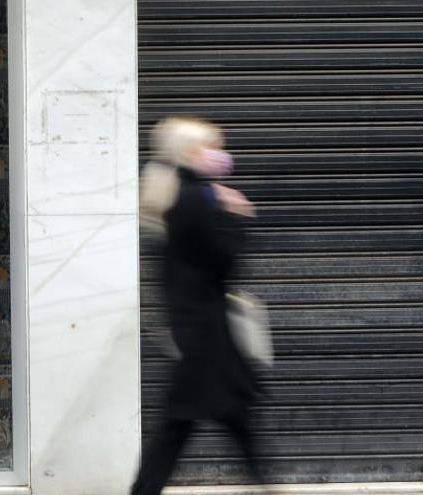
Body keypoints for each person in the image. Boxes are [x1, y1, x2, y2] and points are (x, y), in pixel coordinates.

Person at [134, 117, 261, 495]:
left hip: (196, 329)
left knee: (217, 419)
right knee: (184, 425)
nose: (221, 155)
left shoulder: (176, 194)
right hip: (204, 333)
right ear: (191, 152)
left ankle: (264, 482)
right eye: (214, 147)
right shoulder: (192, 199)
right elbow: (224, 261)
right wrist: (237, 218)